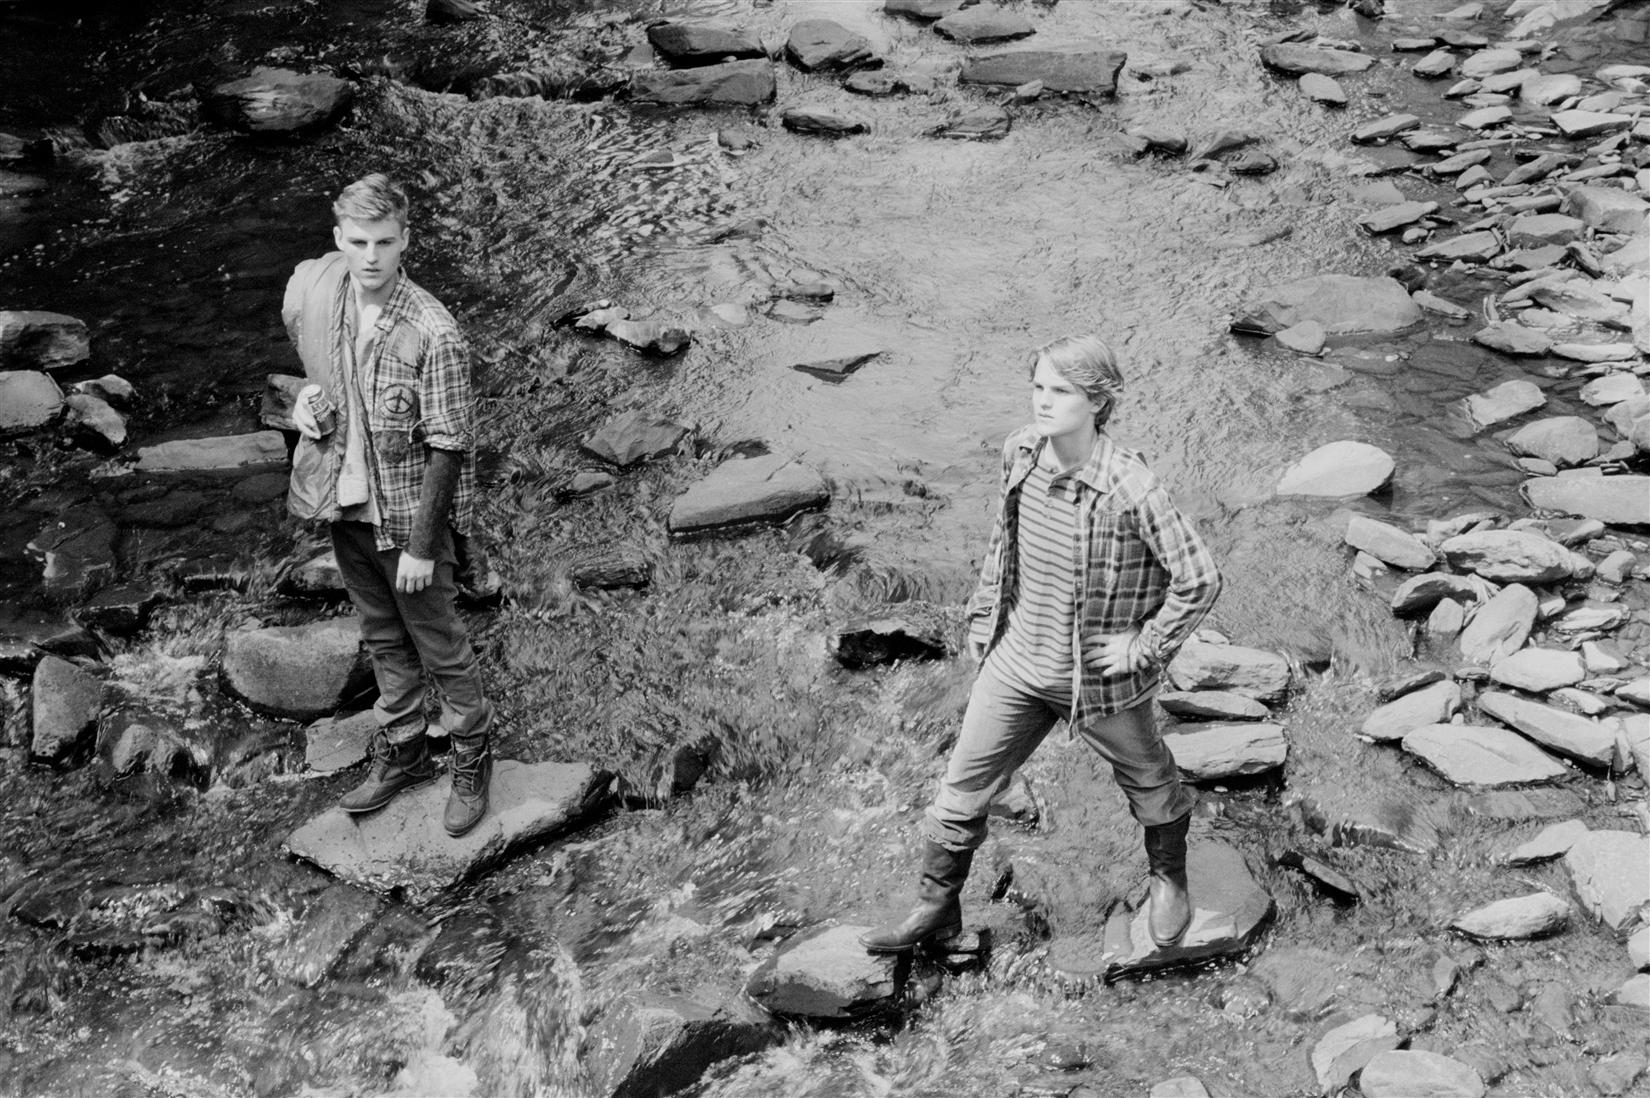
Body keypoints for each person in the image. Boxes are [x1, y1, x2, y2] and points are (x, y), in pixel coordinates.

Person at [861, 335, 1222, 953]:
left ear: (1099, 401)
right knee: (960, 789)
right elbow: (1004, 539)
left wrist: (1144, 647)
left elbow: (1200, 578)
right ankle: (936, 909)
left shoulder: (1131, 488)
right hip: (1015, 664)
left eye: (1061, 390)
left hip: (1100, 680)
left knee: (1151, 783)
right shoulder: (1021, 452)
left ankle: (1169, 879)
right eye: (1038, 387)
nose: (1043, 402)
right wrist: (983, 614)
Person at [283, 173, 495, 838]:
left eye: (383, 241)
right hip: (347, 506)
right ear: (338, 239)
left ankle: (471, 756)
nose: (370, 256)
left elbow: (450, 446)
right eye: (358, 242)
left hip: (407, 519)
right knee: (380, 636)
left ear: (405, 240)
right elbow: (317, 380)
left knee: (440, 643)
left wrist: (423, 547)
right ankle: (404, 749)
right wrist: (302, 405)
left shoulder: (434, 331)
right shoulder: (329, 302)